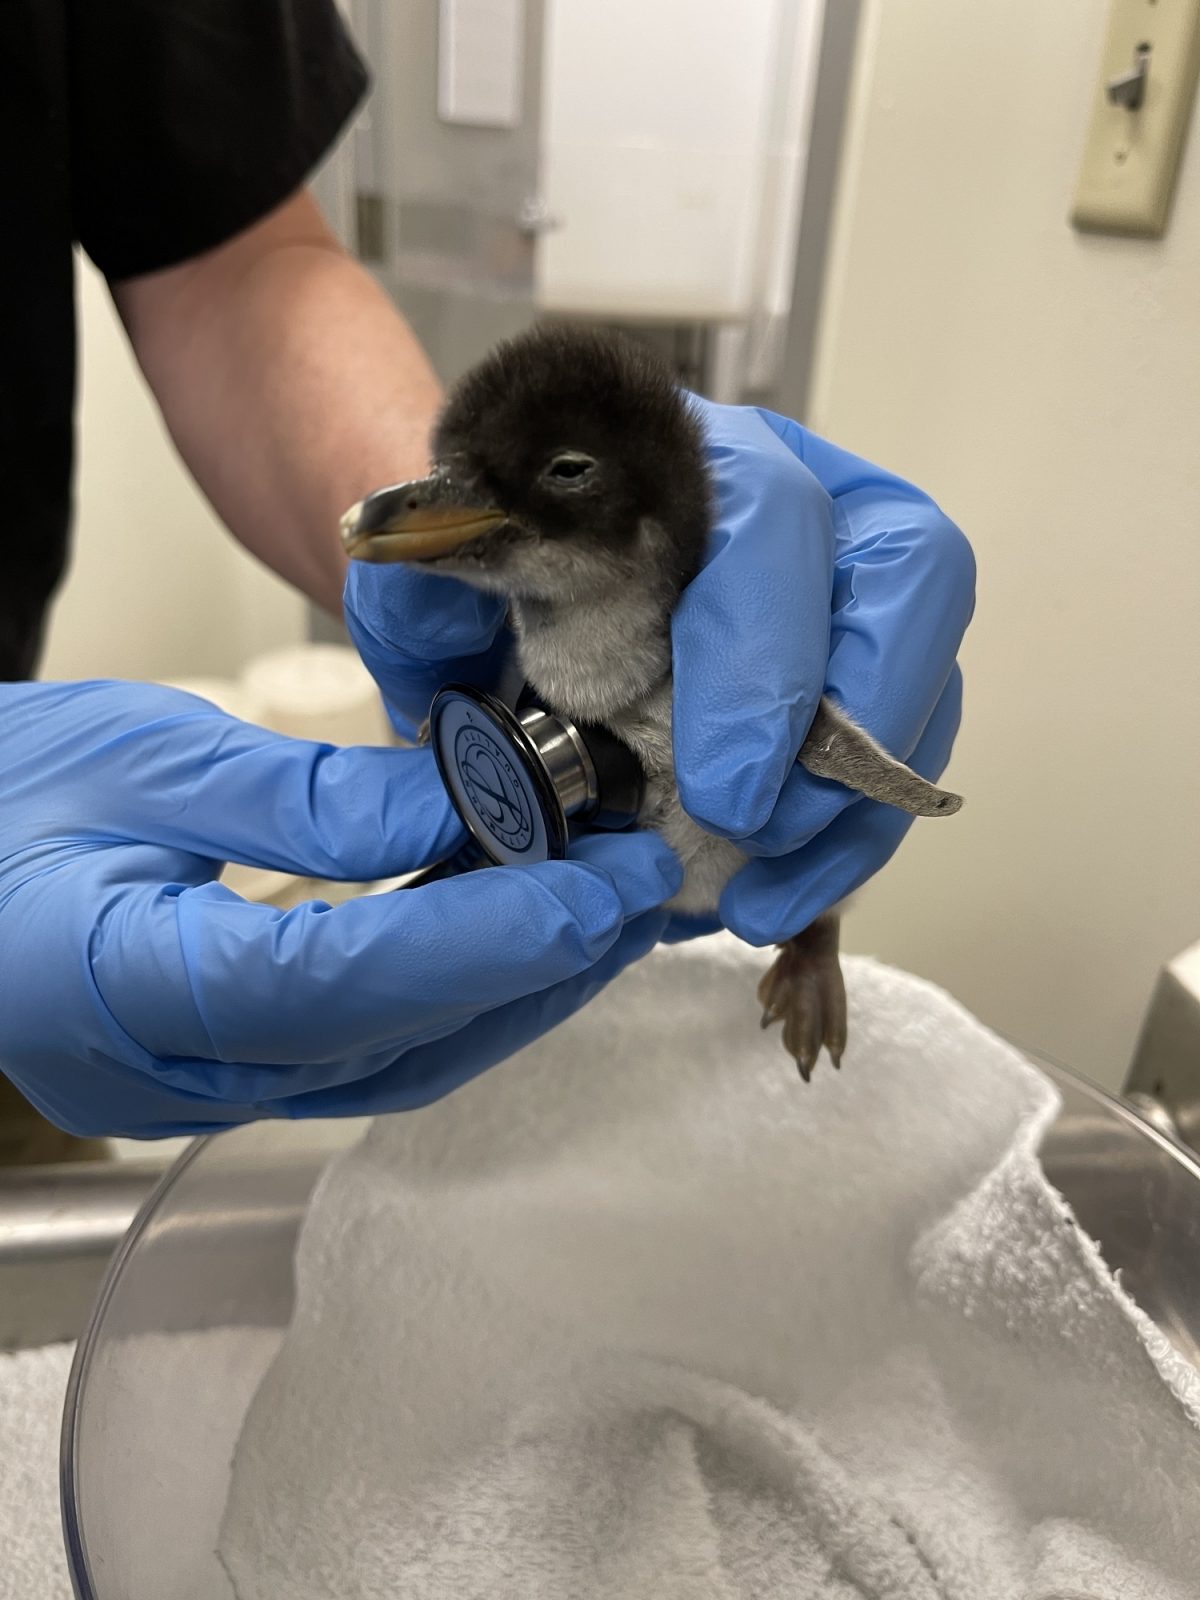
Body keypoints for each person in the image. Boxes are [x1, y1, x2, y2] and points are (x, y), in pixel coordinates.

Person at [0, 1, 975, 1149]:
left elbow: (234, 264)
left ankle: (805, 933)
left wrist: (446, 591)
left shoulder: (668, 633)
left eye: (552, 476)